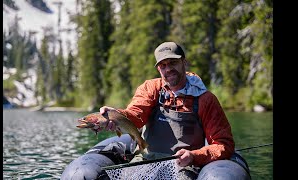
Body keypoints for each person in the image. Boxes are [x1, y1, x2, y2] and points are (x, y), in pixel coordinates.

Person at [91, 41, 235, 179]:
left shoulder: (205, 99)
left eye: (173, 63)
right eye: (162, 65)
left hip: (184, 166)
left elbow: (223, 144)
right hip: (146, 159)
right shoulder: (150, 88)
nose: (168, 69)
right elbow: (135, 115)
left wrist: (194, 156)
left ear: (184, 62)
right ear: (158, 69)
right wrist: (116, 115)